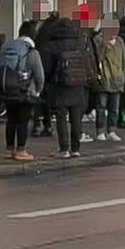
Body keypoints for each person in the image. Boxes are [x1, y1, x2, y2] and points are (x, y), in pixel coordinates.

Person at [40, 14, 93, 157]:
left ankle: (64, 149)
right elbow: (88, 64)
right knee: (76, 117)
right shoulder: (80, 43)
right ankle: (76, 148)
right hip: (78, 84)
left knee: (61, 117)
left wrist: (48, 82)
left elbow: (47, 68)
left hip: (60, 85)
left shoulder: (52, 45)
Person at [0, 21, 45, 161]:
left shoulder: (7, 47)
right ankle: (21, 150)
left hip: (8, 89)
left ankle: (9, 149)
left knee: (11, 120)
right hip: (25, 91)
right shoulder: (32, 51)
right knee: (23, 121)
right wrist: (38, 91)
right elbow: (40, 75)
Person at [94, 20, 125, 141]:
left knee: (115, 107)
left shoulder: (120, 41)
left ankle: (112, 130)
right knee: (101, 106)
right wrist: (106, 45)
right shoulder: (98, 39)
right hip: (105, 77)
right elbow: (97, 57)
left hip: (117, 78)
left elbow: (124, 58)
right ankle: (100, 130)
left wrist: (124, 74)